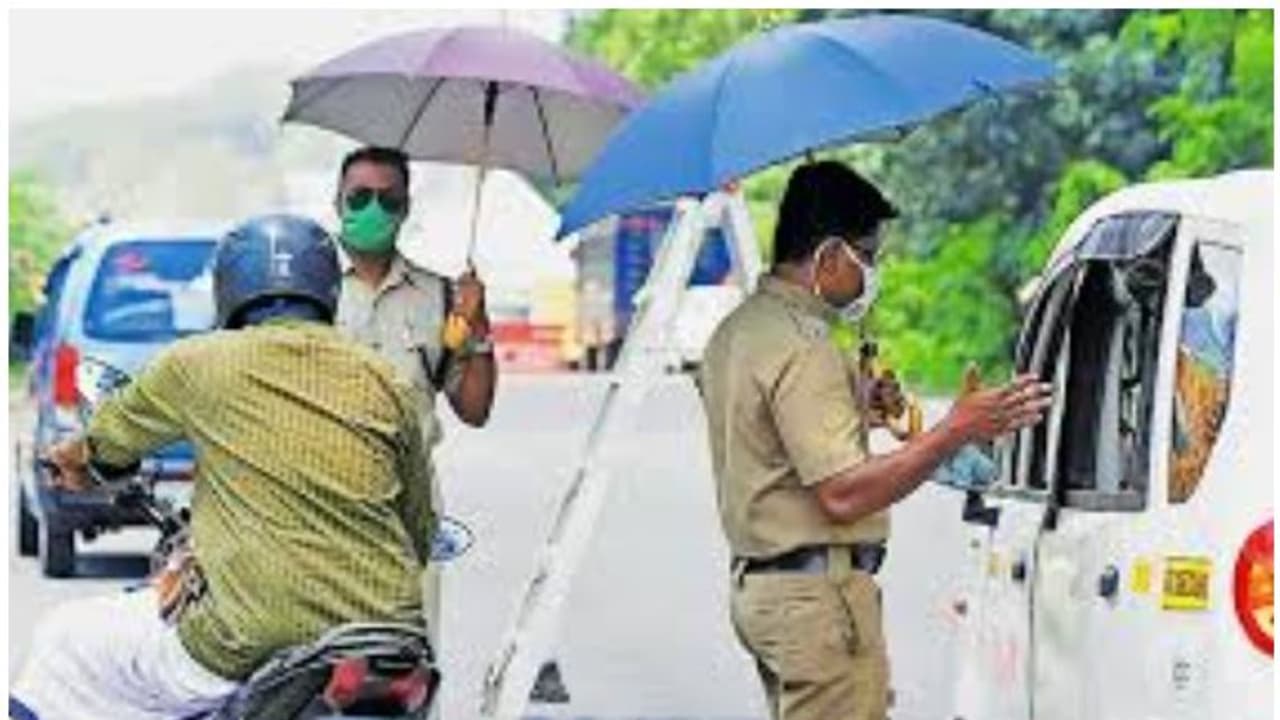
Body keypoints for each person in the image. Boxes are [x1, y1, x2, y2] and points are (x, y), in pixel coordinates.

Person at [12, 215, 436, 720]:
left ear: (229, 288)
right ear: (328, 289)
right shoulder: (385, 377)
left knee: (64, 639)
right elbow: (420, 531)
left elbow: (101, 444)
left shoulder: (197, 362)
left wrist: (68, 464)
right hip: (392, 644)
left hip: (249, 642)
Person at [696, 160, 1053, 720]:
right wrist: (955, 430)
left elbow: (767, 440)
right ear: (830, 255)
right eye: (870, 255)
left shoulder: (740, 330)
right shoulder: (804, 346)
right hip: (817, 601)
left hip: (765, 593)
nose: (873, 271)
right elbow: (842, 494)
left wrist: (854, 405)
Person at [331, 146, 498, 656]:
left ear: (406, 208)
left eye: (387, 199)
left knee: (407, 660)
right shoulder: (310, 292)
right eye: (360, 197)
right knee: (324, 662)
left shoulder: (443, 298)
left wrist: (479, 325)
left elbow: (475, 409)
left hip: (411, 507)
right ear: (337, 202)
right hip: (324, 501)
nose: (373, 211)